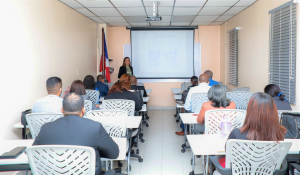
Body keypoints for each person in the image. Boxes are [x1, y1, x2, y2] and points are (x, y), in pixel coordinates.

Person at [33, 93, 119, 175]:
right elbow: (114, 153)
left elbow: (34, 153)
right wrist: (93, 151)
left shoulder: (45, 128)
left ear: (62, 109)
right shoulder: (95, 127)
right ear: (83, 110)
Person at [216, 92, 286, 169]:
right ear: (273, 111)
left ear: (250, 110)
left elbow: (228, 153)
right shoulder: (279, 135)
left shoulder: (236, 134)